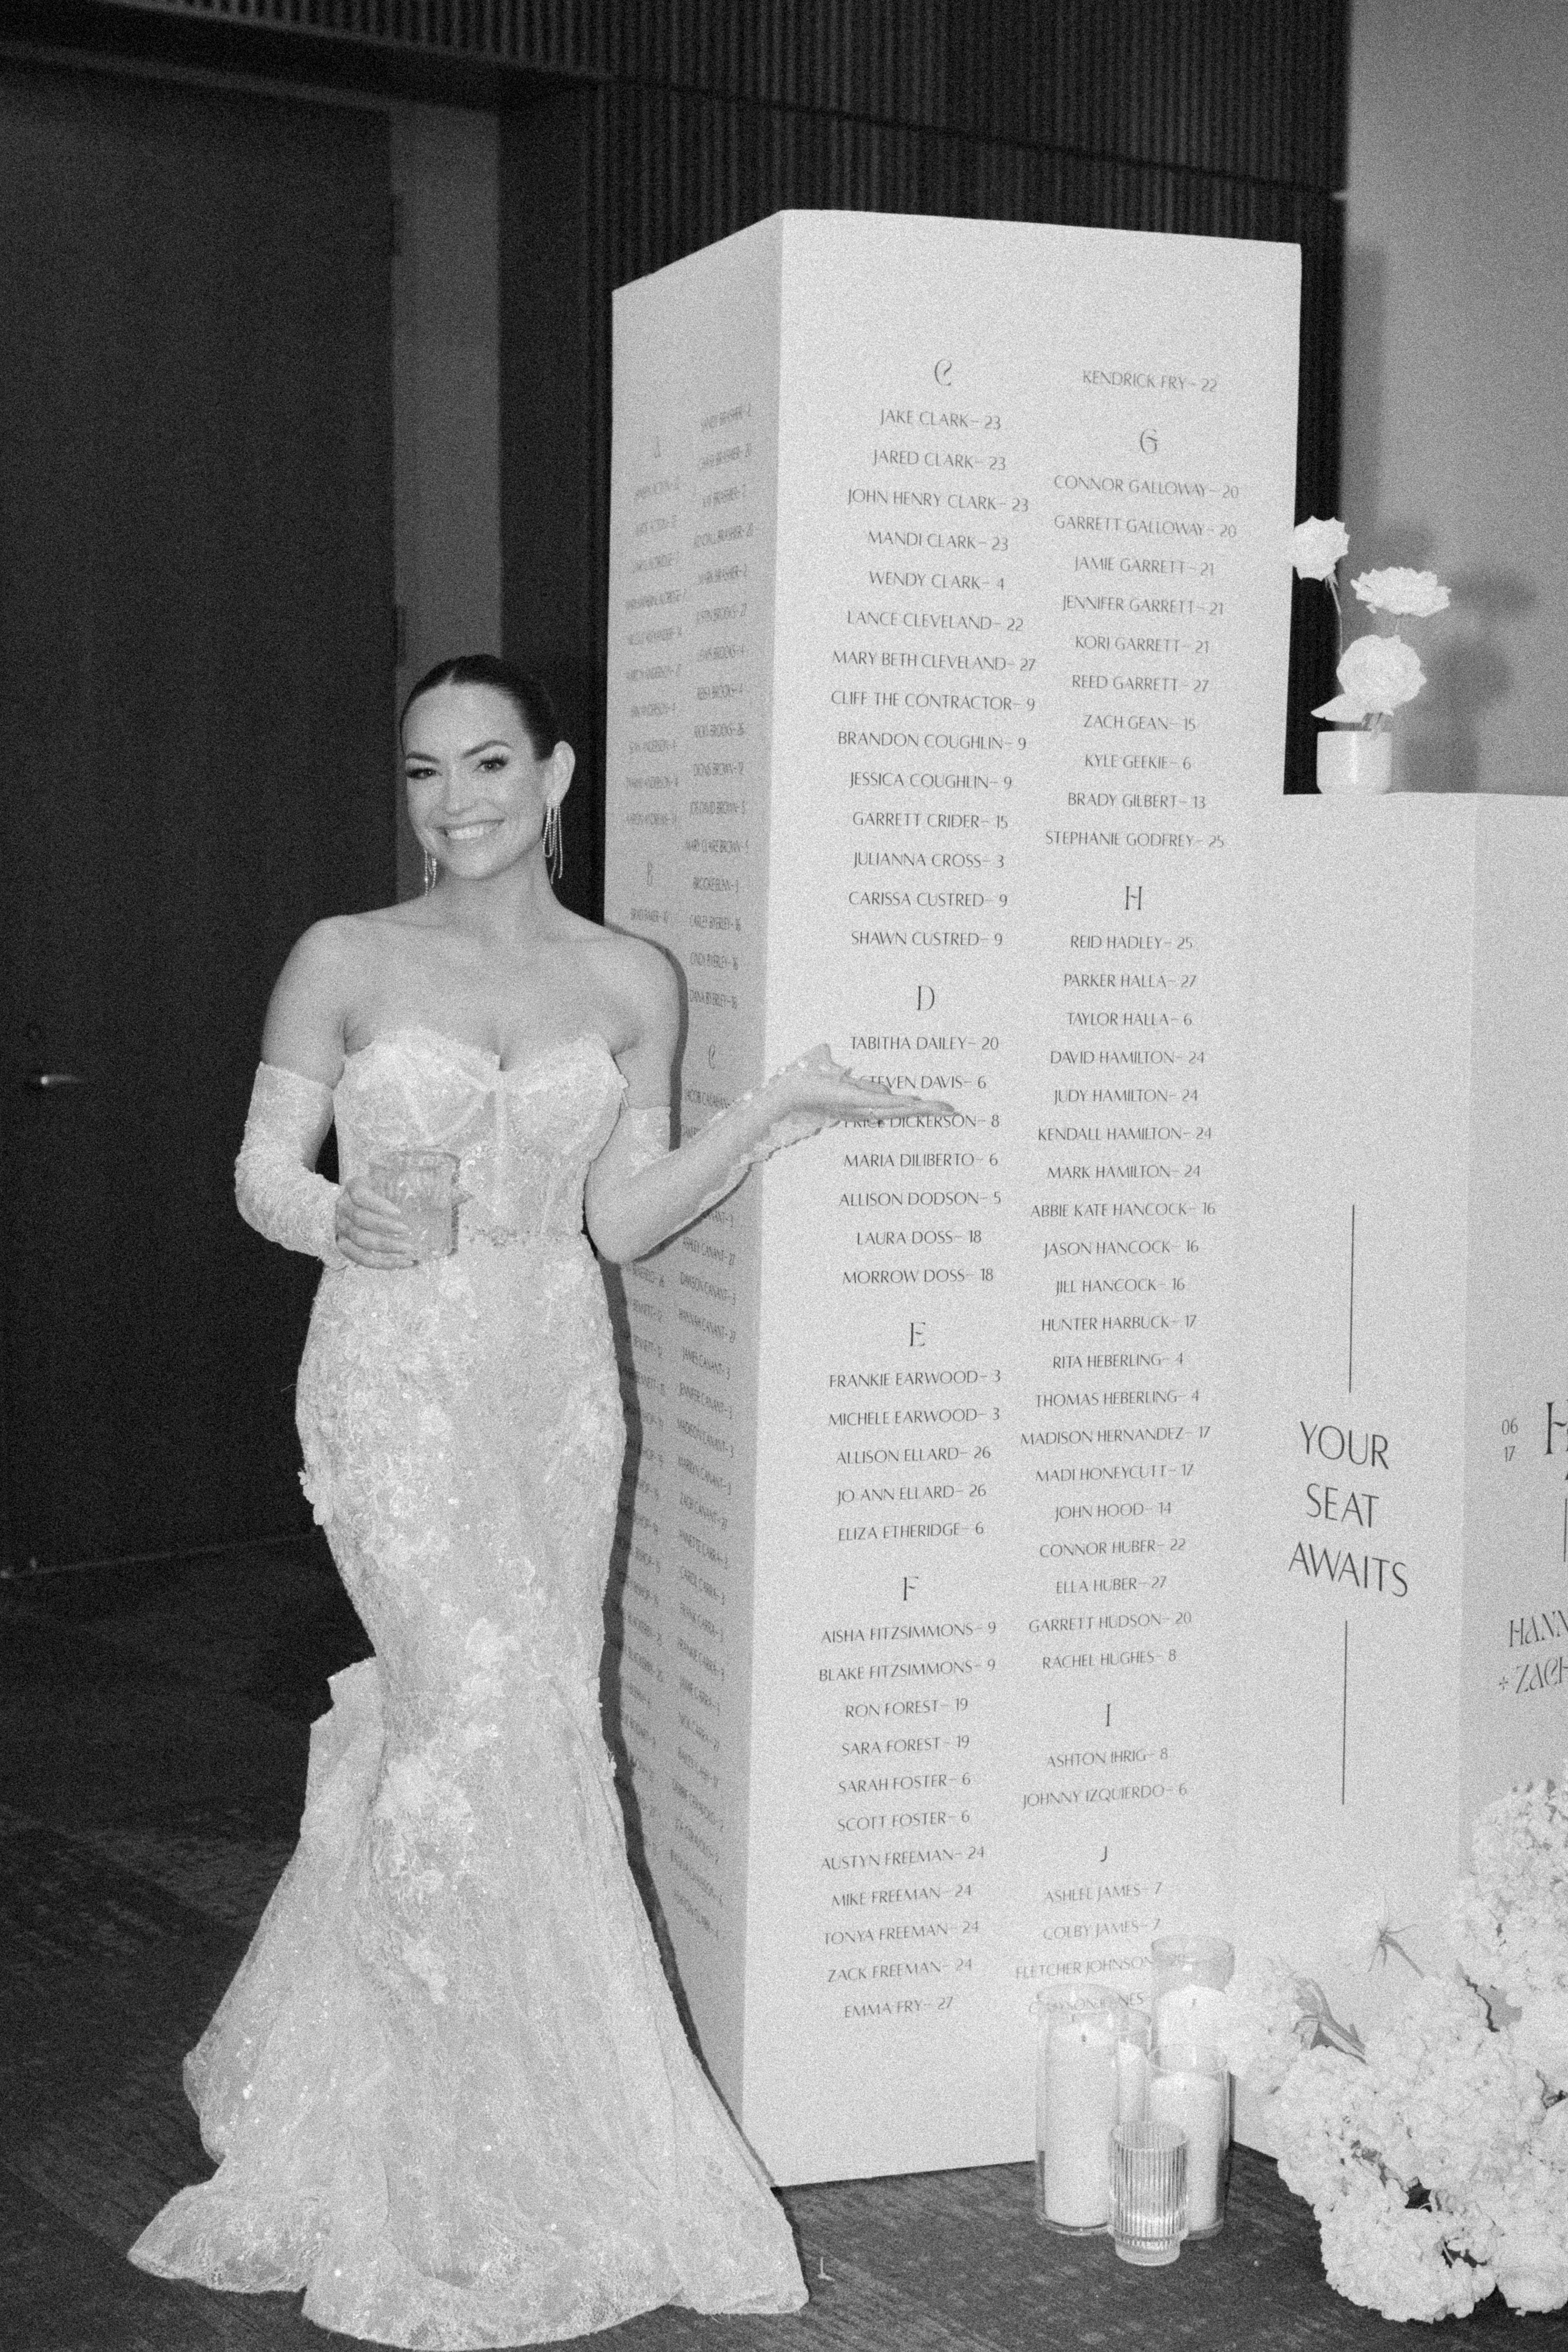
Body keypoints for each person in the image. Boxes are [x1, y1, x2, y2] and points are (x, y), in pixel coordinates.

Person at [129, 654, 931, 2349]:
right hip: (388, 1374)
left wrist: (771, 1115)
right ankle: (426, 2148)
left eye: (487, 763)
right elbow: (263, 1170)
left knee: (543, 1724)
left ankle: (551, 2114)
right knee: (461, 1704)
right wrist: (333, 1216)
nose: (454, 801)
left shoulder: (632, 980)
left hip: (554, 1382)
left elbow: (625, 1220)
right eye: (423, 773)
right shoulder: (343, 958)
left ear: (555, 773)